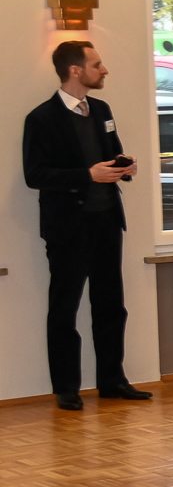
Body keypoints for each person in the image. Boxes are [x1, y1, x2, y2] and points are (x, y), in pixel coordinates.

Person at [21, 41, 150, 411]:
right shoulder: (41, 118)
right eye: (97, 64)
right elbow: (35, 175)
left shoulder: (102, 110)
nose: (104, 70)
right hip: (68, 228)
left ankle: (112, 380)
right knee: (64, 309)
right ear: (75, 70)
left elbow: (111, 153)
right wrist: (87, 175)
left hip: (107, 221)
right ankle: (66, 387)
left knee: (111, 305)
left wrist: (124, 167)